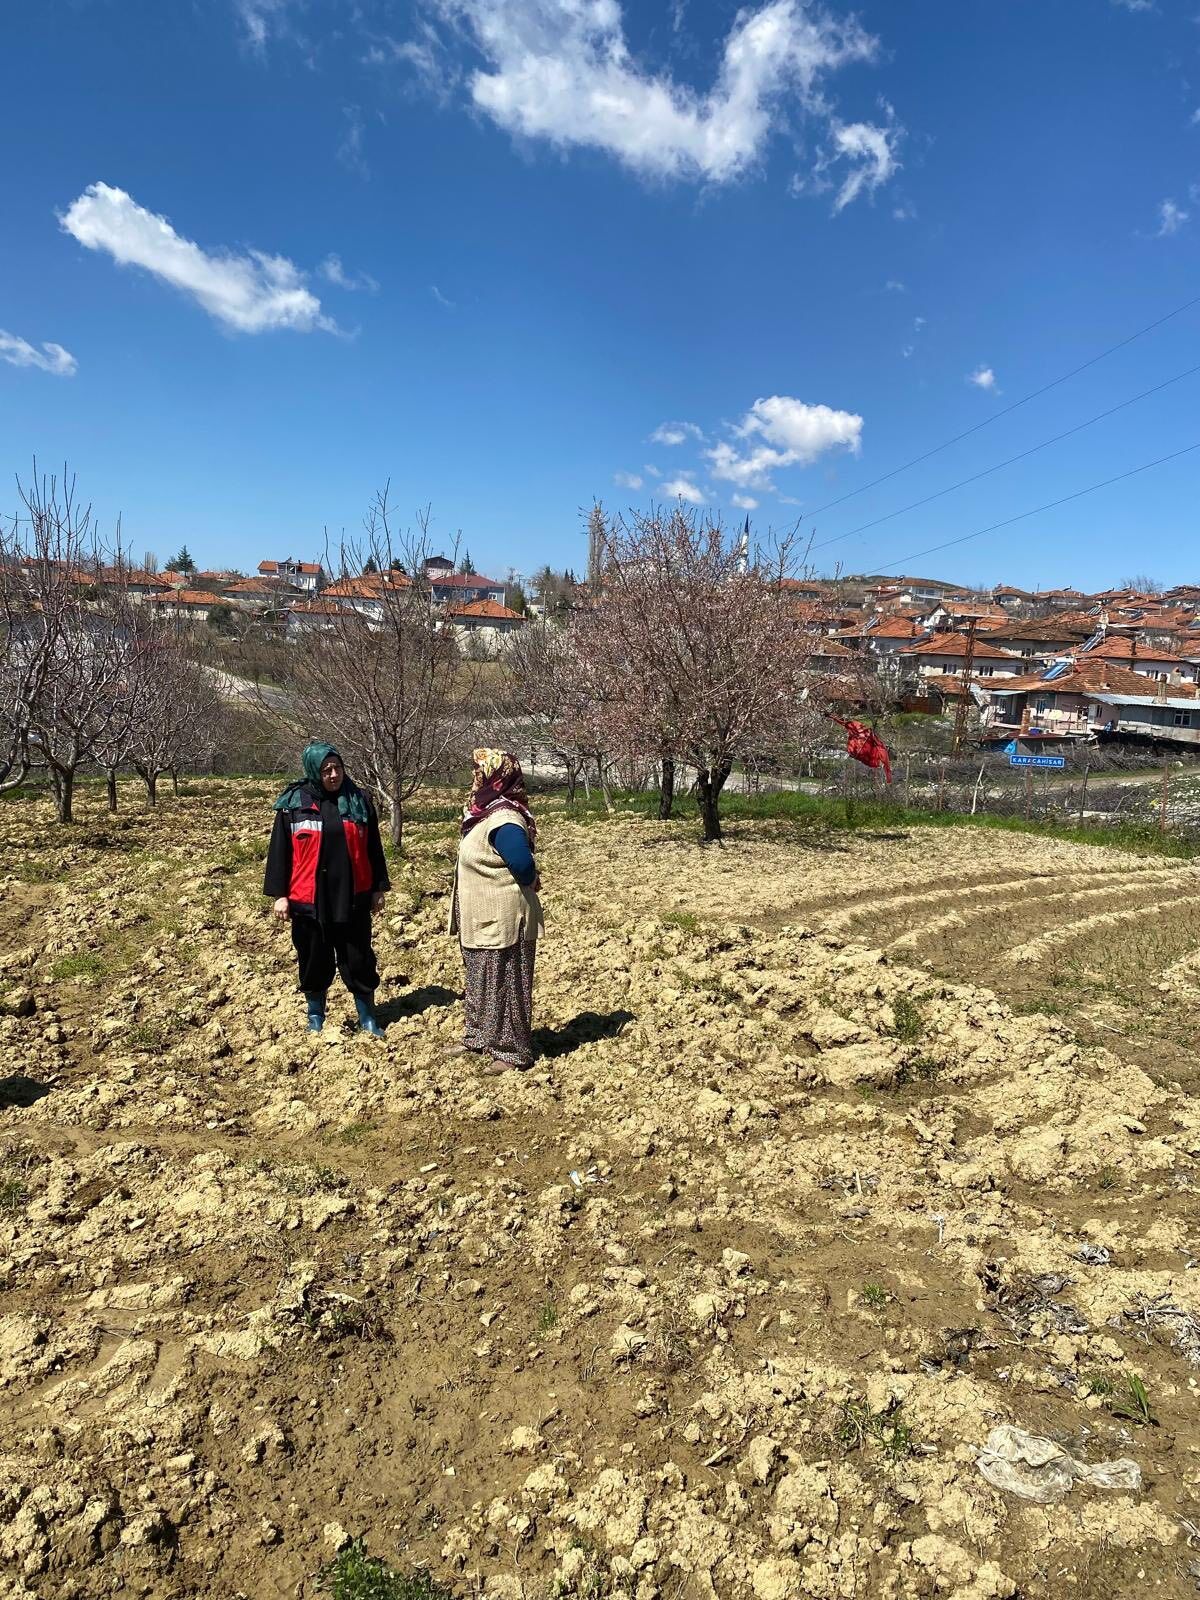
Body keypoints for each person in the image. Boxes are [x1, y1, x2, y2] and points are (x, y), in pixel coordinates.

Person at [264, 742, 390, 1036]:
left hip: (352, 897)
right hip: (309, 899)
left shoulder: (359, 800)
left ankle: (367, 1017)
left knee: (358, 959)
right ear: (313, 772)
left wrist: (377, 888)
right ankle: (315, 1015)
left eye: (337, 768)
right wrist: (280, 895)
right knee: (314, 960)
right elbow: (280, 852)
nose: (333, 775)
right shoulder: (293, 804)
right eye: (326, 770)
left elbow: (374, 848)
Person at [448, 748, 543, 1073]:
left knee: (506, 983)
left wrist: (531, 877)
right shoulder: (486, 813)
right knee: (482, 981)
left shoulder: (504, 819)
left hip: (504, 918)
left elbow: (521, 862)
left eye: (481, 773)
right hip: (482, 916)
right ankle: (478, 1037)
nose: (475, 778)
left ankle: (513, 1052)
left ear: (497, 778)